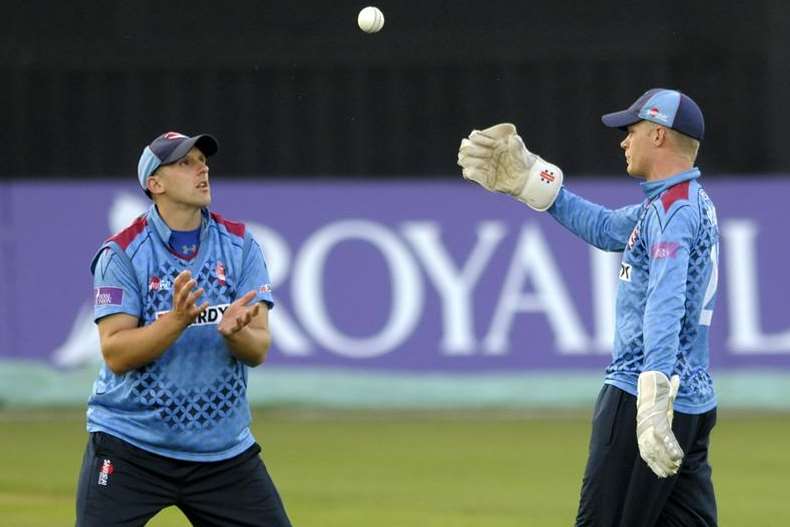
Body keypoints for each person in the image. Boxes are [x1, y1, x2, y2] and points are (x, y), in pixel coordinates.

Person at [457, 88, 719, 526]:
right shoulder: (684, 203)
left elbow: (665, 301)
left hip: (642, 395)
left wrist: (652, 400)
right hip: (693, 404)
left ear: (658, 135)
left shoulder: (671, 212)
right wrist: (532, 180)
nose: (623, 141)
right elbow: (603, 227)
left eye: (631, 131)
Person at [75, 131, 293, 526]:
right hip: (131, 445)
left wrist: (235, 333)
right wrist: (176, 322)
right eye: (184, 163)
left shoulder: (241, 245)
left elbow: (258, 349)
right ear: (154, 184)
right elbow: (116, 353)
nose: (202, 169)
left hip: (222, 453)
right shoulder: (122, 254)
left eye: (202, 160)